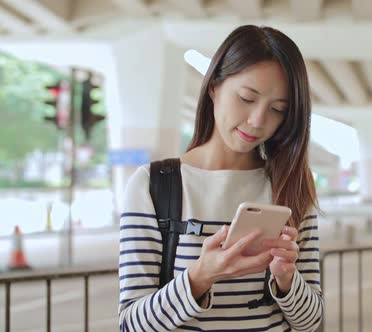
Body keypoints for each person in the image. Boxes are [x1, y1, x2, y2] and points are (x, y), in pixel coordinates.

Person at [118, 25, 323, 331]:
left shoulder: (290, 185)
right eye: (246, 98)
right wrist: (200, 277)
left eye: (278, 110)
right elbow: (130, 325)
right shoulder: (154, 185)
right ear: (214, 85)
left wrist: (287, 280)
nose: (257, 121)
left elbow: (311, 323)